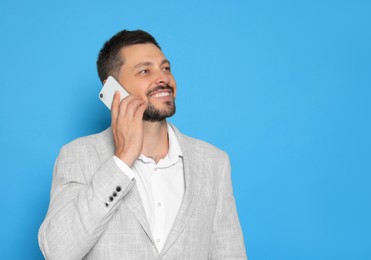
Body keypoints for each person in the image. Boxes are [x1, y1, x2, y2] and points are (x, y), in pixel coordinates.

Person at [38, 29, 246, 260]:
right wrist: (122, 161)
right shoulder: (79, 156)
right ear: (111, 89)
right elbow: (57, 250)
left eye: (166, 68)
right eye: (145, 70)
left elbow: (230, 253)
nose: (163, 78)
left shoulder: (214, 162)